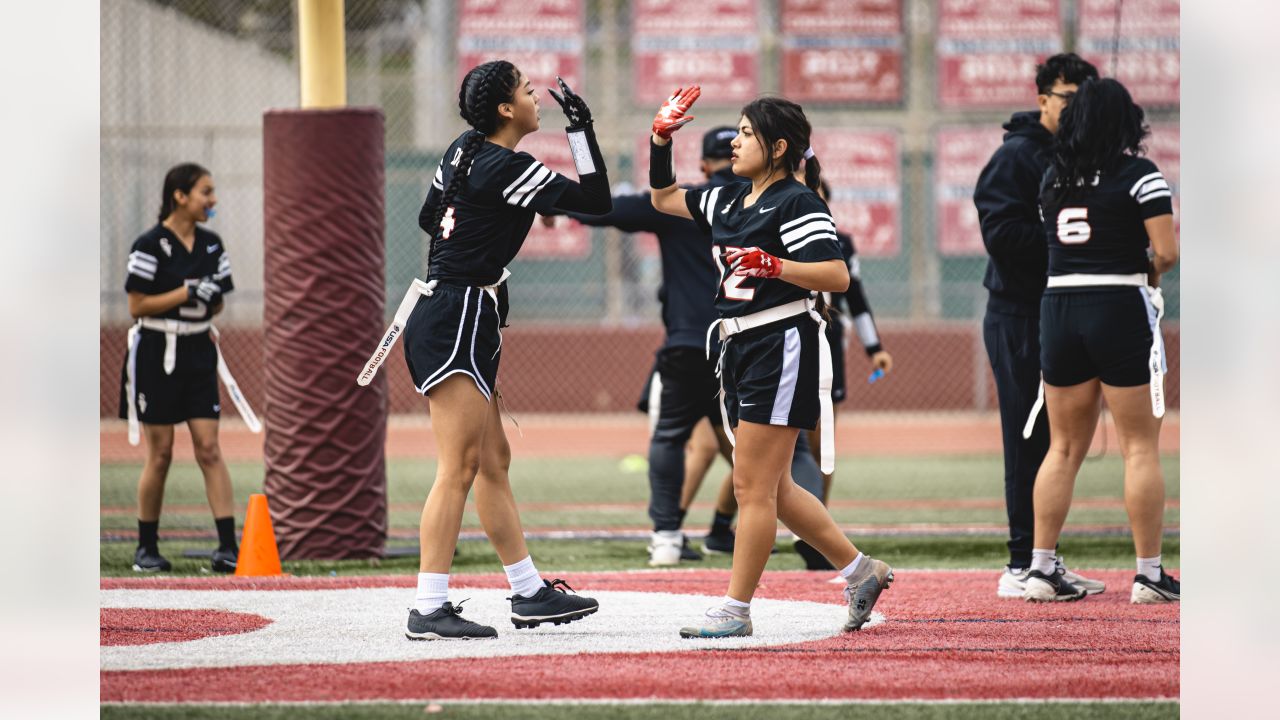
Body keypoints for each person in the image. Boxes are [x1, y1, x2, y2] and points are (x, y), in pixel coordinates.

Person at [360, 62, 610, 640]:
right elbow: (595, 201)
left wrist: (484, 227)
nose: (534, 98)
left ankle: (527, 593)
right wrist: (582, 129)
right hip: (459, 314)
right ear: (505, 109)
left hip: (454, 307)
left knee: (492, 462)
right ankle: (427, 606)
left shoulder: (463, 149)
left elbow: (430, 216)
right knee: (459, 468)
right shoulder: (507, 165)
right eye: (525, 91)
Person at [649, 88, 894, 638]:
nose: (734, 142)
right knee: (774, 489)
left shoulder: (798, 201)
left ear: (778, 147)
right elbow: (664, 199)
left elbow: (836, 276)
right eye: (735, 132)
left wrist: (775, 264)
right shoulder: (727, 198)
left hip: (781, 342)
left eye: (745, 133)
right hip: (737, 347)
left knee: (751, 489)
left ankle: (735, 610)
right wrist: (660, 140)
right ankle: (861, 571)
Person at [546, 127, 828, 565]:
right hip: (752, 341)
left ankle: (667, 534)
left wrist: (554, 206)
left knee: (674, 436)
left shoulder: (705, 200)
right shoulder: (764, 199)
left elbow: (610, 209)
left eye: (747, 133)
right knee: (788, 452)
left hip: (690, 342)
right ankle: (810, 543)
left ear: (702, 165)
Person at [1022, 77, 1179, 604]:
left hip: (1059, 307)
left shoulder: (1052, 178)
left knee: (1063, 446)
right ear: (1126, 121)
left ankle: (1041, 568)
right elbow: (1166, 252)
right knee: (1139, 446)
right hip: (1117, 305)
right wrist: (1148, 276)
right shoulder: (1141, 175)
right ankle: (1150, 574)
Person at [973, 53, 1106, 598]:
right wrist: (1068, 245)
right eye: (1068, 98)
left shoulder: (1082, 156)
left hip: (1066, 310)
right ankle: (1021, 562)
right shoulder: (1017, 157)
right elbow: (1001, 234)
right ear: (1043, 98)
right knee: (1028, 437)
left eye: (1085, 101)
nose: (1076, 110)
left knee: (1059, 440)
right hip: (1021, 313)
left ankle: (1045, 558)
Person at [118, 163, 250, 574]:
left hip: (197, 349)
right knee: (160, 454)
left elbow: (219, 303)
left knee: (209, 448)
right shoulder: (149, 244)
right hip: (157, 349)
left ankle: (228, 547)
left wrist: (208, 298)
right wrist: (185, 290)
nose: (212, 200)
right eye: (205, 192)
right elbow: (137, 306)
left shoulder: (212, 244)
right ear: (179, 195)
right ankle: (146, 548)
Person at [794, 178, 893, 572]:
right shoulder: (765, 227)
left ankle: (818, 532)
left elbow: (857, 298)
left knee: (820, 444)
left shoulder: (840, 243)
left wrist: (875, 348)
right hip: (775, 342)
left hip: (823, 347)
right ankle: (744, 526)